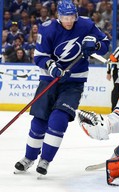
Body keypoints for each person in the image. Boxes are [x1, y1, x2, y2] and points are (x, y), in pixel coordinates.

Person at [14, 0, 110, 176]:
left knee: (59, 119)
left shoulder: (86, 25)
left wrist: (95, 46)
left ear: (75, 15)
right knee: (39, 120)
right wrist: (53, 67)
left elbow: (105, 44)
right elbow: (40, 57)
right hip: (50, 78)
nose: (68, 21)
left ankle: (46, 160)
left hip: (74, 81)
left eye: (71, 17)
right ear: (58, 16)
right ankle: (29, 157)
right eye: (65, 17)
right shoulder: (47, 28)